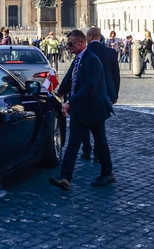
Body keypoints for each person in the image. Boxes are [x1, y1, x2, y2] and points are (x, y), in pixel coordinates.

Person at [48, 29, 115, 191]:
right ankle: (65, 178)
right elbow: (70, 78)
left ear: (82, 43)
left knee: (101, 143)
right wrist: (59, 94)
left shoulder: (92, 60)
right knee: (72, 144)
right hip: (80, 110)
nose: (68, 47)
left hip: (95, 109)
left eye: (71, 44)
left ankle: (107, 173)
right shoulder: (78, 59)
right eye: (67, 44)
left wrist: (70, 102)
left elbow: (89, 87)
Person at [81, 27, 120, 161]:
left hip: (86, 92)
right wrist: (115, 94)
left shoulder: (85, 52)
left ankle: (86, 150)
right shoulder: (110, 52)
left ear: (90, 36)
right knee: (99, 124)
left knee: (84, 122)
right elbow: (116, 75)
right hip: (105, 93)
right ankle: (98, 153)